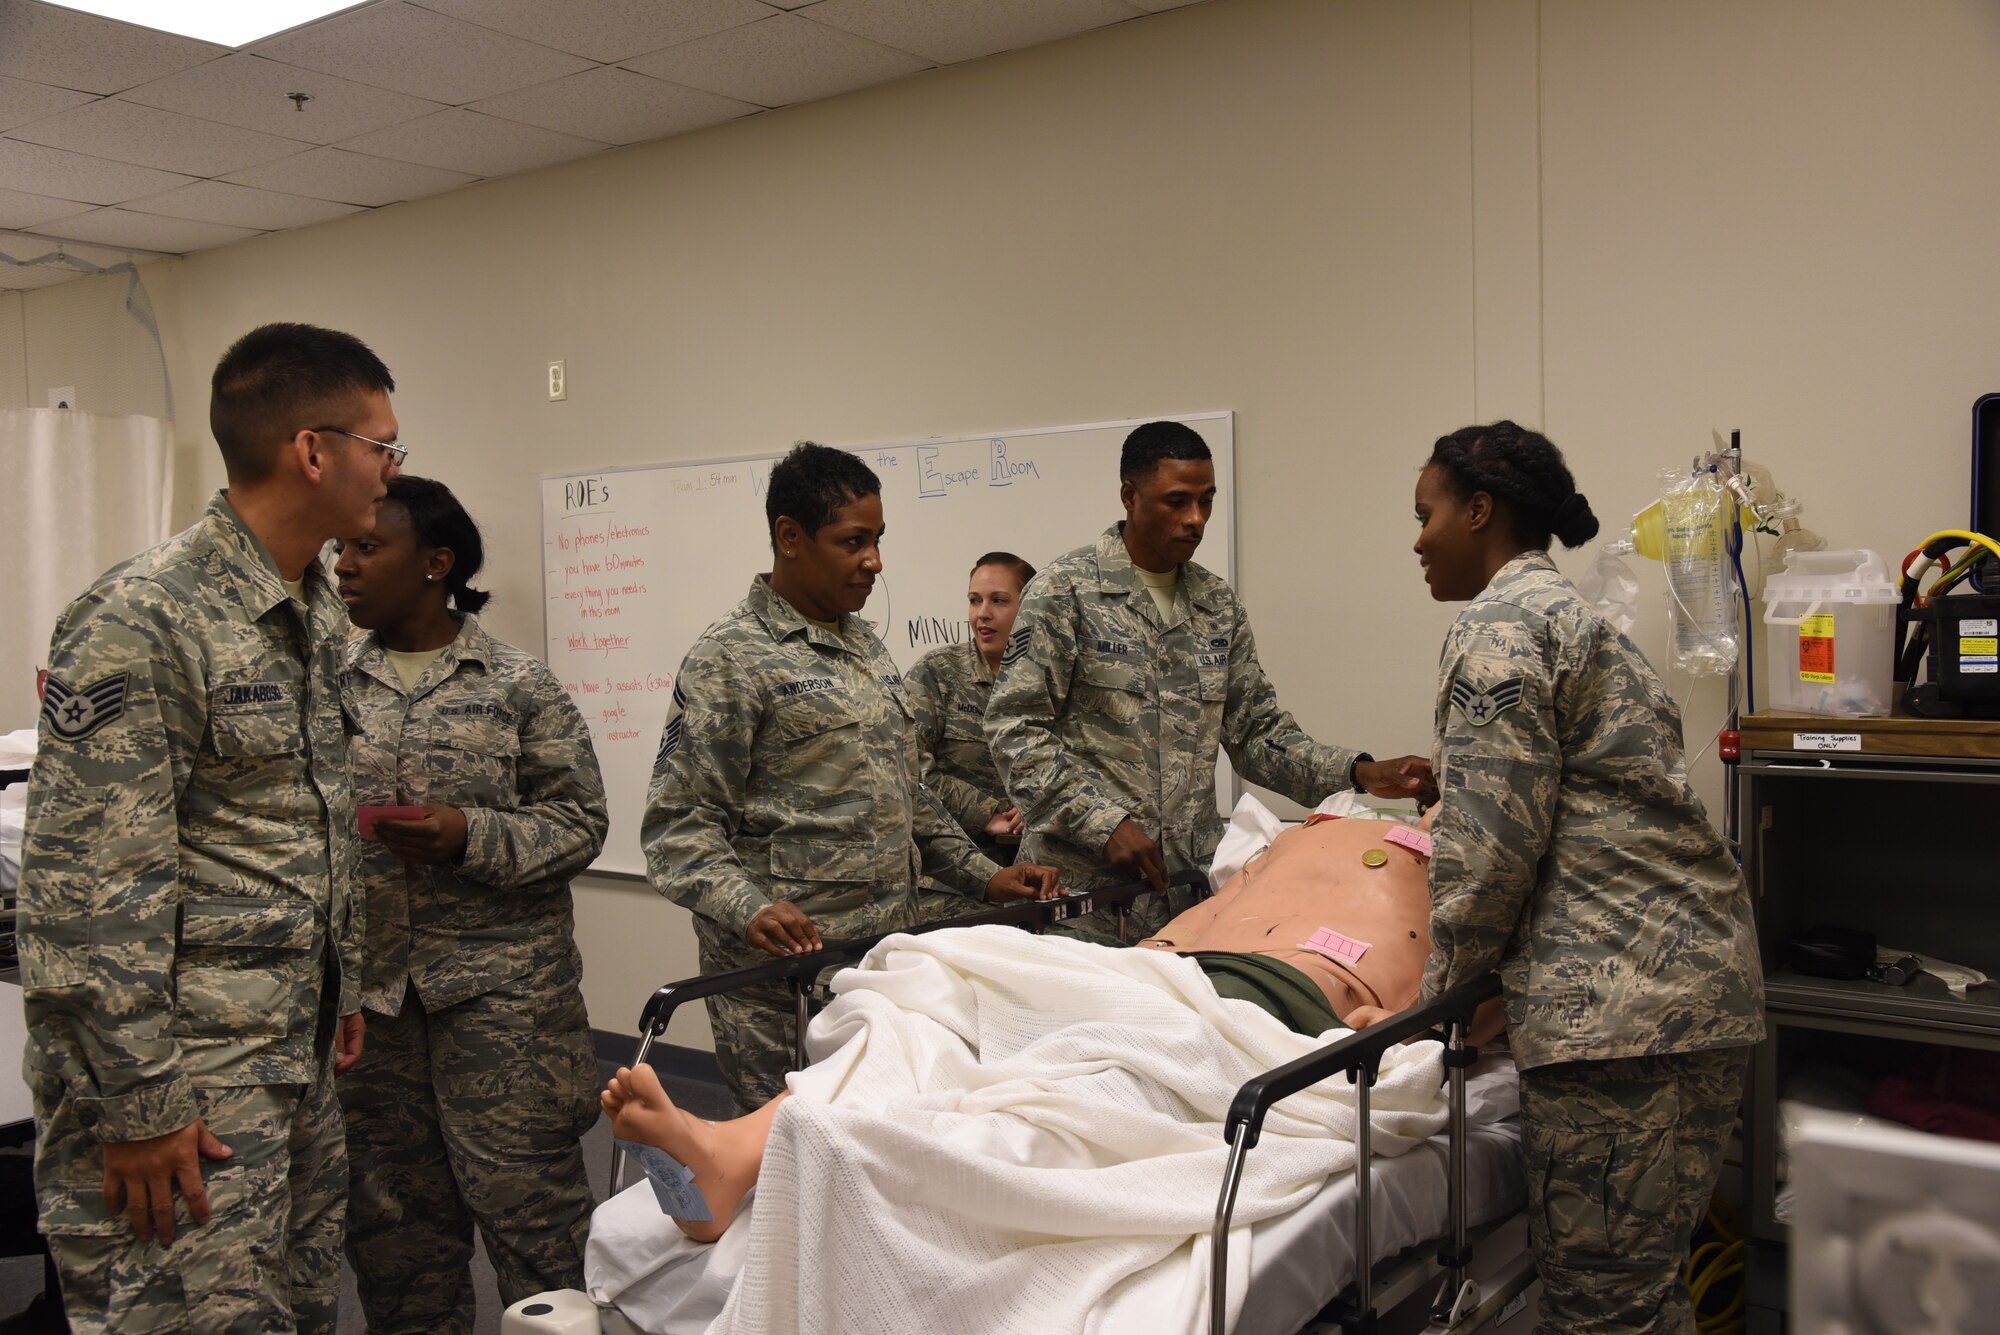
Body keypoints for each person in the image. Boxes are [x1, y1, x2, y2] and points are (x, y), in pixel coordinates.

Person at [599, 806, 1499, 1246]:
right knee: (923, 1011)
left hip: (1270, 1003)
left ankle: (909, 1160)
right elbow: (1223, 885)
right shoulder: (1309, 826)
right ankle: (736, 1152)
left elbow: (1478, 1011)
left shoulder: (1478, 866)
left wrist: (1403, 1029)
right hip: (1145, 964)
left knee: (1091, 1074)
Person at [17, 322, 400, 1333]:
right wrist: (140, 1108)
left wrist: (340, 981)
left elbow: (297, 819)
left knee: (290, 1308)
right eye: (382, 446)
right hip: (186, 1083)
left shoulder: (309, 606)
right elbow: (88, 893)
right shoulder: (142, 618)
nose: (391, 473)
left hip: (288, 1051)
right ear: (312, 450)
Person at [1412, 420, 1765, 1335]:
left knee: (1603, 1309)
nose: (1416, 539)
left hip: (1619, 1019)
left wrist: (1432, 1017)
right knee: (1642, 1298)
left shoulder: (1498, 627)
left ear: (1480, 510)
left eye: (1427, 513)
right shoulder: (1578, 625)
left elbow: (1488, 853)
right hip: (1686, 994)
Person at [642, 443, 1062, 1113]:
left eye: (878, 539)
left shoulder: (864, 646)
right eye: (853, 541)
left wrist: (983, 875)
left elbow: (903, 794)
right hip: (783, 986)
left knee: (877, 1146)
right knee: (788, 1160)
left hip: (880, 959)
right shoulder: (732, 658)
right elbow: (678, 828)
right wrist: (750, 907)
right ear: (790, 537)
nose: (874, 560)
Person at [332, 476, 608, 1331]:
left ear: (435, 563)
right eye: (339, 548)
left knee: (539, 1230)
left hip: (503, 1009)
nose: (343, 566)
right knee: (396, 1237)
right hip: (373, 1009)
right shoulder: (328, 685)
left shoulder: (520, 686)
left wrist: (469, 835)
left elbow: (580, 823)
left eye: (366, 547)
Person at [985, 419, 1434, 943]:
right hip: (1082, 897)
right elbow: (1014, 730)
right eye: (1176, 501)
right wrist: (1100, 822)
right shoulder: (1065, 593)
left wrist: (1361, 772)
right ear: (1130, 496)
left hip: (1185, 892)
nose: (1195, 519)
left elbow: (1257, 735)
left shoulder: (1215, 605)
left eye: (1206, 501)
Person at [903, 551, 1036, 923]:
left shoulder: (1052, 680)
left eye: (998, 600)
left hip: (1041, 879)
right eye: (975, 600)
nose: (982, 614)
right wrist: (987, 813)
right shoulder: (937, 675)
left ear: (1029, 609)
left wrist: (1040, 803)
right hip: (951, 887)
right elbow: (909, 772)